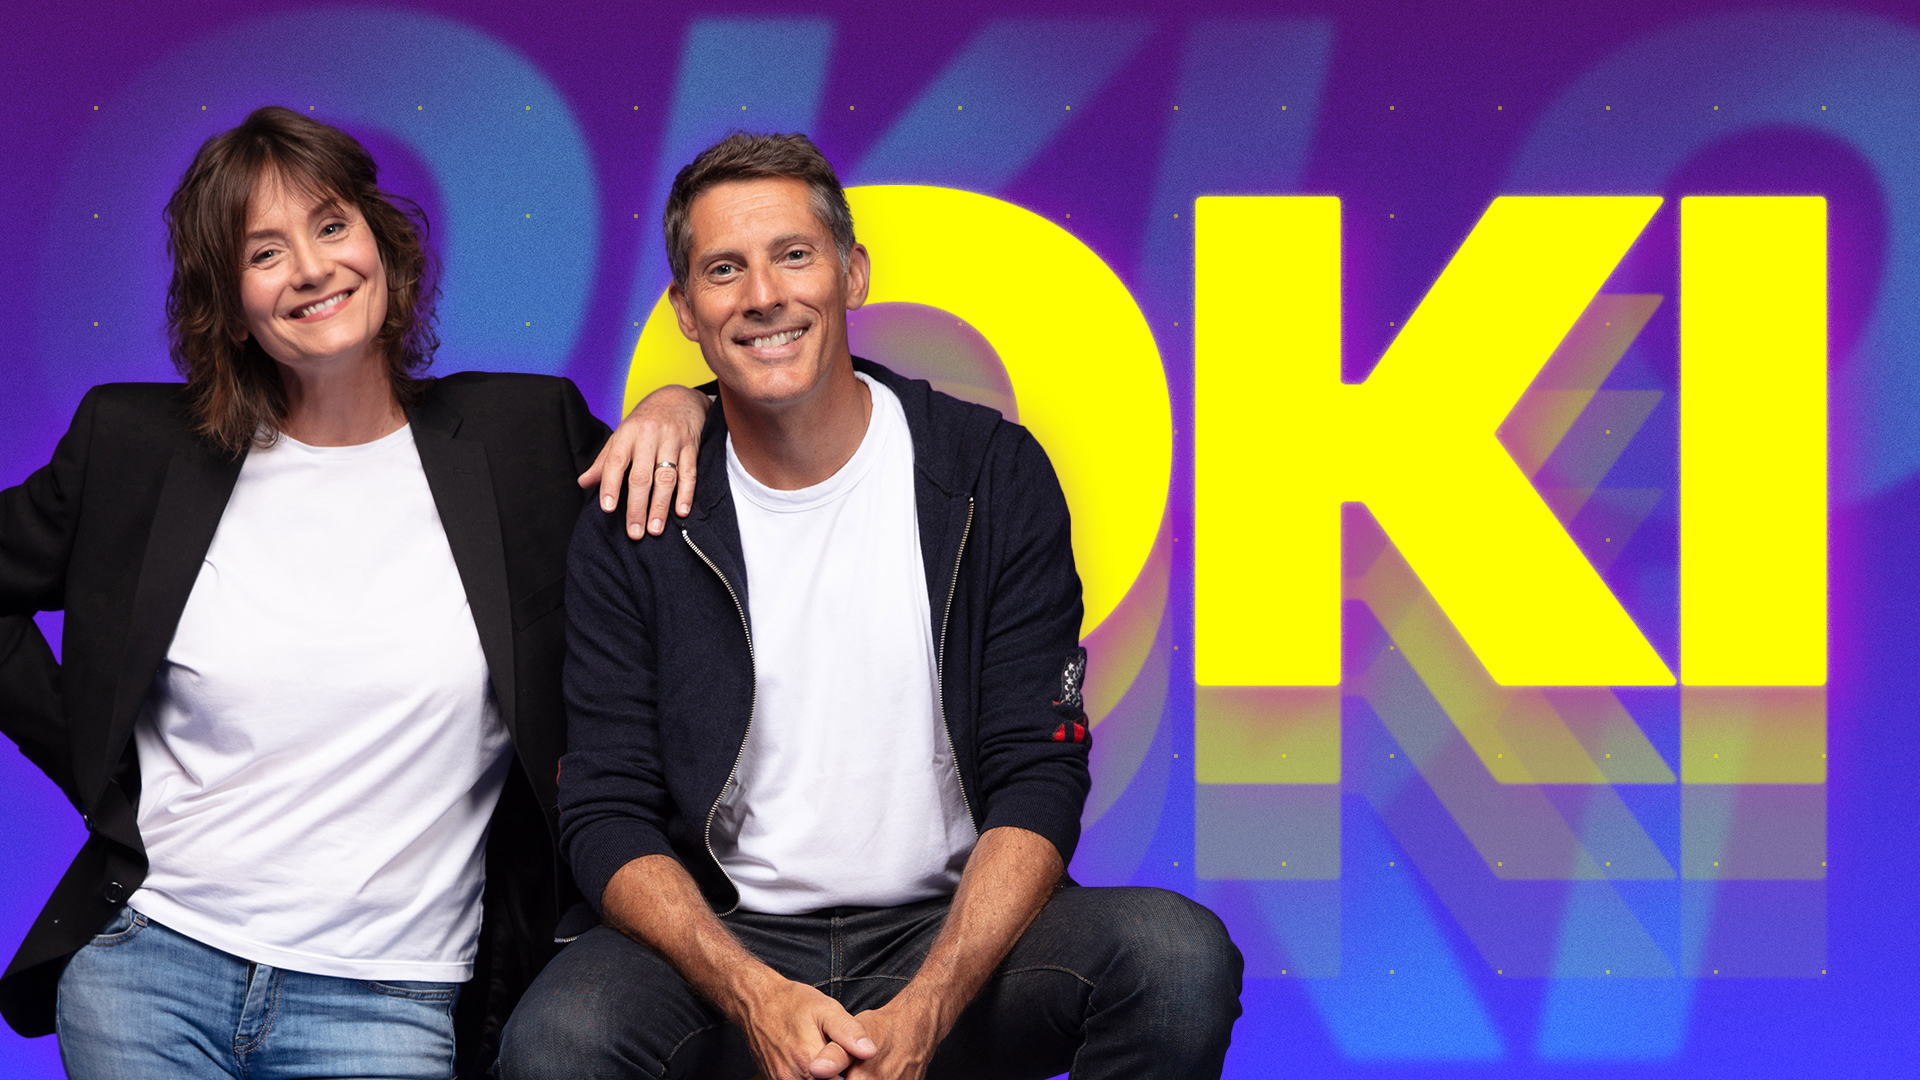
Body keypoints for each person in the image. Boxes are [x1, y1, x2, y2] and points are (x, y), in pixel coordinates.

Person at [498, 132, 1242, 1080]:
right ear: (686, 310)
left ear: (852, 274)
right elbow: (605, 810)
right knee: (557, 1043)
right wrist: (753, 994)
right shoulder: (643, 509)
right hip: (727, 938)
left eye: (793, 255)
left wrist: (927, 1007)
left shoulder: (988, 475)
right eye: (724, 269)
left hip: (950, 928)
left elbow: (1039, 773)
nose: (763, 294)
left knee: (1174, 959)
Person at [0, 106, 709, 1079]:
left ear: (382, 242)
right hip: (148, 976)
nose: (310, 268)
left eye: (331, 225)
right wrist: (92, 758)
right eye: (264, 252)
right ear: (229, 305)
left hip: (388, 1001)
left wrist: (685, 404)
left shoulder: (521, 437)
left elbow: (723, 508)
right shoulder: (135, 447)